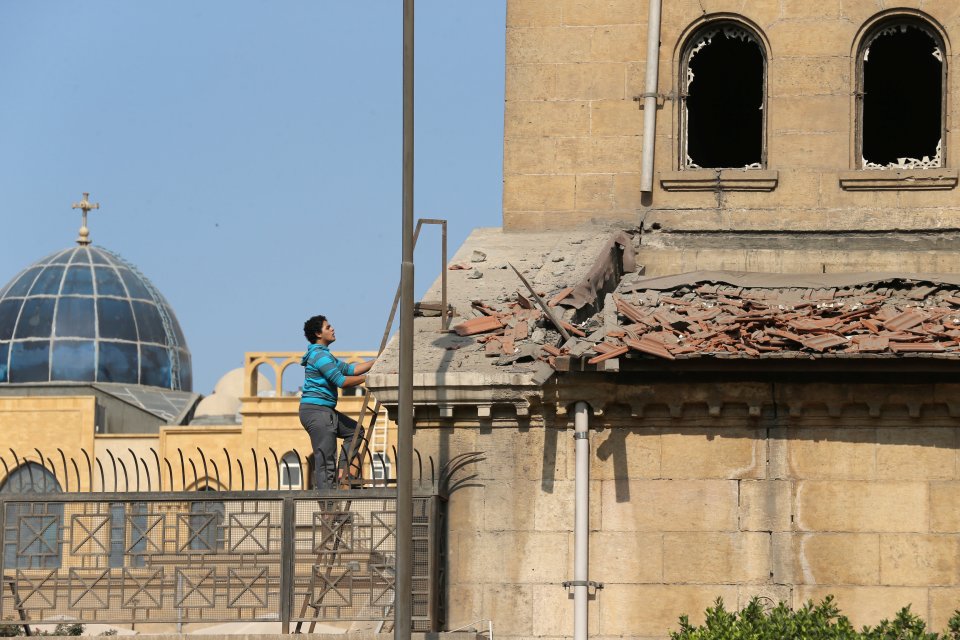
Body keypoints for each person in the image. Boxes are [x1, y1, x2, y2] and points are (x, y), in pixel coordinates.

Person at [299, 314, 376, 490]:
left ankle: (343, 469)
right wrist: (371, 377)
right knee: (326, 464)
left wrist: (378, 361)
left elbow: (351, 369)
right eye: (328, 327)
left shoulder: (326, 356)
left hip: (325, 411)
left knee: (355, 431)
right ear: (319, 334)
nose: (332, 329)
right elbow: (341, 381)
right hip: (317, 411)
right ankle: (328, 511)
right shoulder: (319, 356)